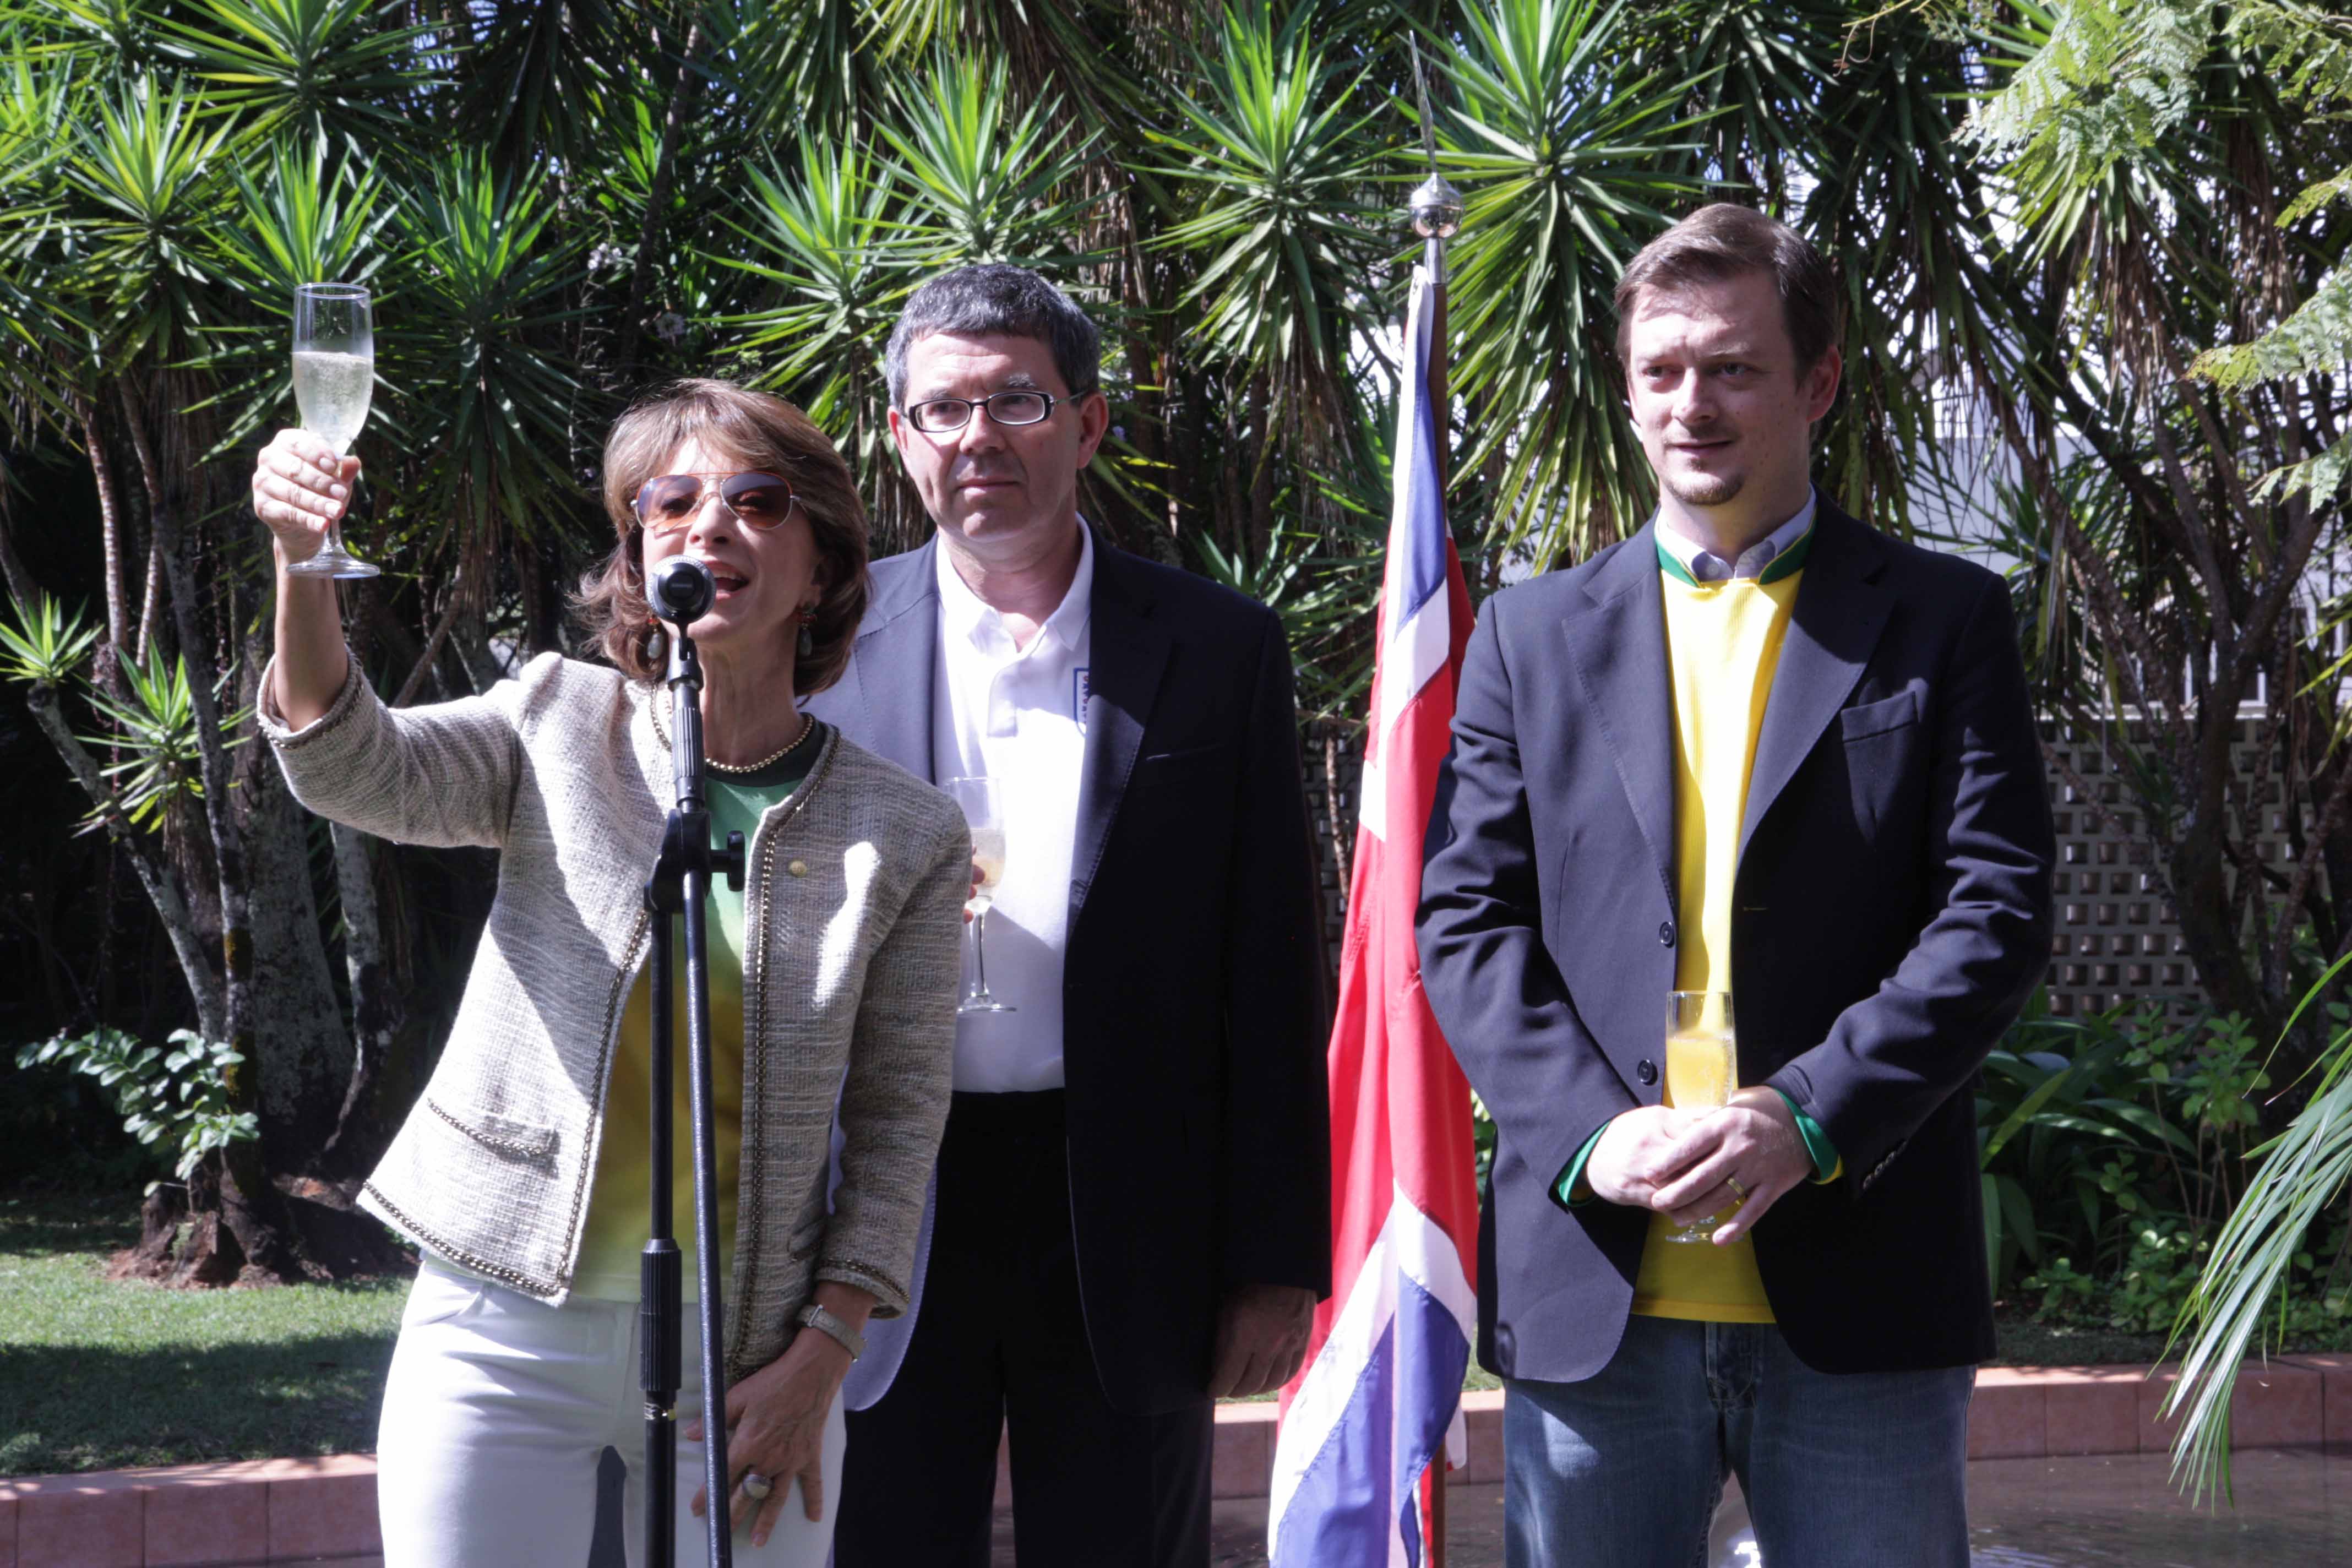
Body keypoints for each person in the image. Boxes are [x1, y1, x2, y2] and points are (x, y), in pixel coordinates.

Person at [1415, 204, 2056, 1566]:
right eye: (1661, 371)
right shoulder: (1528, 637)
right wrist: (1594, 1129)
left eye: (1733, 367)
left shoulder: (1944, 618)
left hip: (1859, 1293)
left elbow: (1994, 909)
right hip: (1599, 1289)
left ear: (1817, 382)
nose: (1690, 403)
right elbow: (1465, 921)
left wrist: (1807, 1112)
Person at [248, 380, 972, 1567]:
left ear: (826, 564)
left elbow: (899, 1126)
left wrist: (823, 1354)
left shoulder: (907, 832)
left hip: (748, 1355)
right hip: (497, 1323)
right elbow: (348, 764)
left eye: (756, 498)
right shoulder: (554, 720)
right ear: (639, 557)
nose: (708, 524)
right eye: (670, 502)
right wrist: (301, 562)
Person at [806, 263, 1331, 1567]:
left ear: (1089, 425)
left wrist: (1276, 1255)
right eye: (942, 411)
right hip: (880, 1191)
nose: (977, 437)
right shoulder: (826, 643)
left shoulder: (1216, 648)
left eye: (1018, 402)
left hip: (1127, 1206)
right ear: (899, 439)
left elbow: (1272, 960)